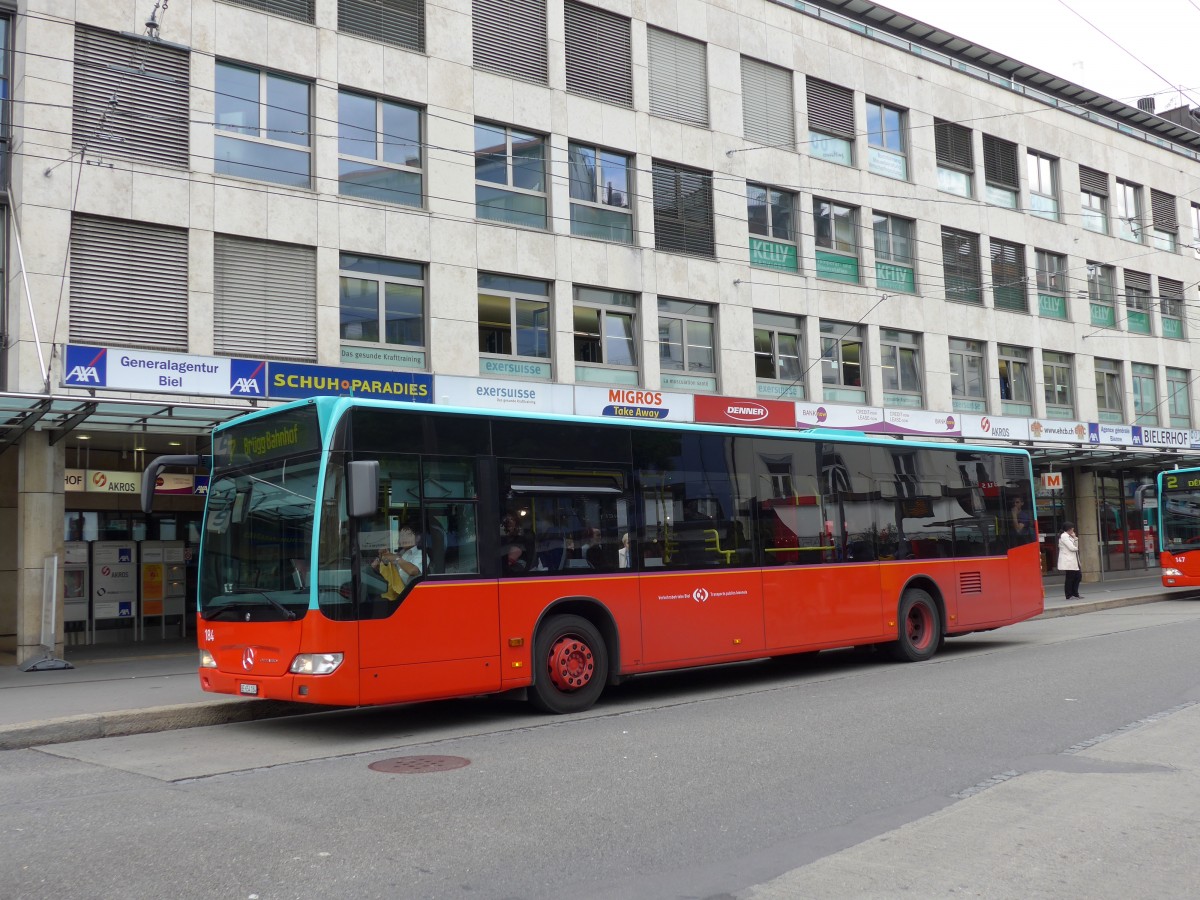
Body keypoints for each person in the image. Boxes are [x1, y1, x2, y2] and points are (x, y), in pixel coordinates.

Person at [373, 525, 423, 600]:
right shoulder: (401, 553)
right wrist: (381, 556)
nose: (404, 538)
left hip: (410, 595)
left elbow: (413, 571)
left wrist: (395, 558)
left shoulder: (421, 554)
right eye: (401, 535)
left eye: (408, 535)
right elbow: (377, 568)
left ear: (418, 538)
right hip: (395, 594)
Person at [1058, 522, 1082, 600]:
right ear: (1069, 529)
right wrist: (1075, 546)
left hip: (1073, 560)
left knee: (1077, 576)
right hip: (1068, 560)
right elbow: (1072, 548)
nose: (1073, 529)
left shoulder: (1069, 536)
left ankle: (1075, 593)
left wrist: (1075, 538)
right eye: (1072, 528)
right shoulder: (1064, 536)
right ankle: (1069, 595)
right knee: (1070, 577)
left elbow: (1075, 546)